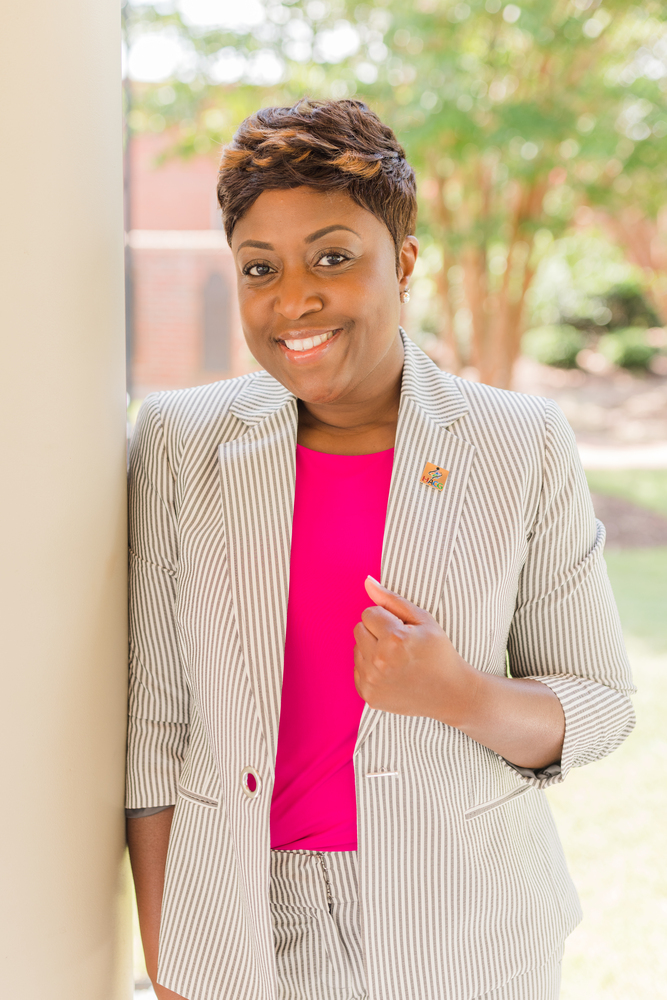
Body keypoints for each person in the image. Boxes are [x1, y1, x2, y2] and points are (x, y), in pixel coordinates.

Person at [126, 99, 635, 1000]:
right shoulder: (178, 444)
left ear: (402, 261)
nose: (293, 299)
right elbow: (156, 727)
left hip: (464, 923)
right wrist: (177, 964)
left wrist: (459, 694)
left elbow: (596, 704)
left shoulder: (518, 442)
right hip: (244, 925)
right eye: (259, 267)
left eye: (332, 256)